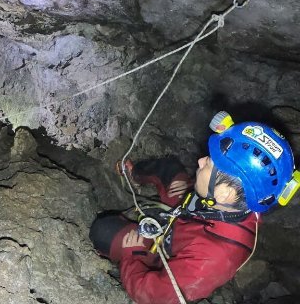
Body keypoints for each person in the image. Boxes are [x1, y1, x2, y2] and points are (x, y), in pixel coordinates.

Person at [90, 112, 299, 304]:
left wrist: (132, 255)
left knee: (104, 230)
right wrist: (191, 187)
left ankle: (118, 251)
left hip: (168, 251)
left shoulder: (212, 260)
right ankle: (133, 174)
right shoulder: (234, 201)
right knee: (170, 169)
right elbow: (209, 205)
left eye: (208, 163)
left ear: (225, 193)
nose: (200, 161)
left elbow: (154, 295)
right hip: (185, 217)